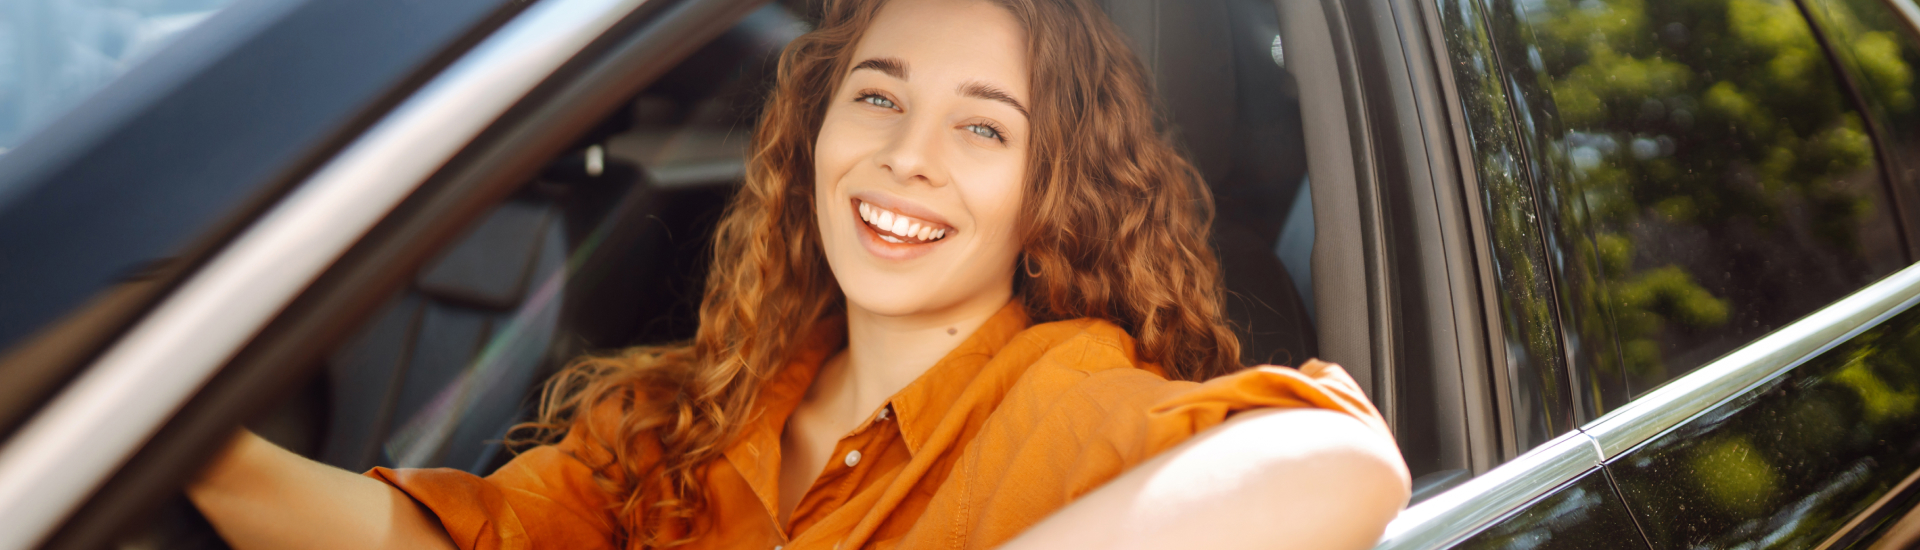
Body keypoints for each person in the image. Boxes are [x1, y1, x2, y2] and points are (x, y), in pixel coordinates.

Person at [186, 0, 1412, 547]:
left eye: (982, 127)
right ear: (813, 133)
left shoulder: (1064, 402)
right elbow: (456, 541)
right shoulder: (687, 412)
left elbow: (1343, 460)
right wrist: (189, 442)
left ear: (1049, 195)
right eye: (877, 98)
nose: (908, 156)